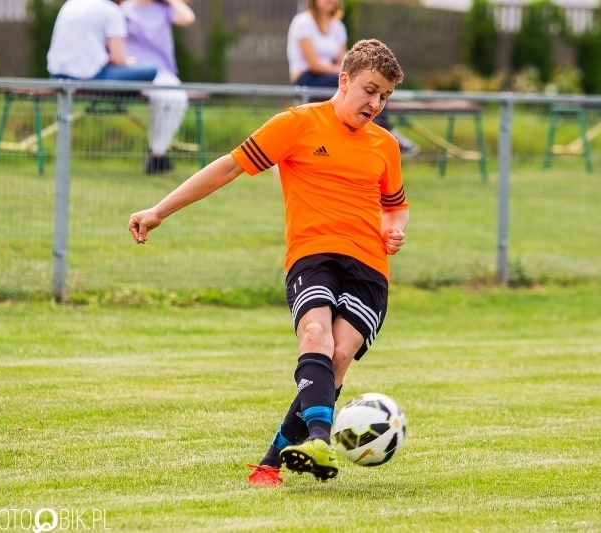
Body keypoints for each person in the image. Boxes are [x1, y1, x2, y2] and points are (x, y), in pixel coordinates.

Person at [128, 39, 409, 486]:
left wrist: (395, 227)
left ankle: (271, 462)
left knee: (337, 355)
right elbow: (227, 168)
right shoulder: (296, 125)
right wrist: (158, 211)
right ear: (343, 80)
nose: (376, 104)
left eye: (385, 97)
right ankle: (320, 439)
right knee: (314, 333)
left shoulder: (385, 145)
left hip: (369, 267)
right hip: (312, 254)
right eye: (369, 90)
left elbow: (395, 204)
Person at [286, 0, 420, 157]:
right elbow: (314, 64)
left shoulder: (337, 26)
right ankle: (387, 132)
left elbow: (342, 60)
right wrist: (349, 73)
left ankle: (378, 138)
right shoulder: (302, 23)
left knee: (375, 87)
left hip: (333, 76)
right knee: (364, 84)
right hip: (307, 79)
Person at [122, 0, 196, 175]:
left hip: (163, 71)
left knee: (177, 99)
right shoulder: (125, 10)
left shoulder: (164, 9)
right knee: (161, 99)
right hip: (137, 71)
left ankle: (157, 152)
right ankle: (157, 155)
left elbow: (188, 18)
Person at [47, 0, 157, 82]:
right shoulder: (113, 11)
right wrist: (129, 61)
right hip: (88, 77)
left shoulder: (71, 3)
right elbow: (118, 59)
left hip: (57, 75)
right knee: (150, 69)